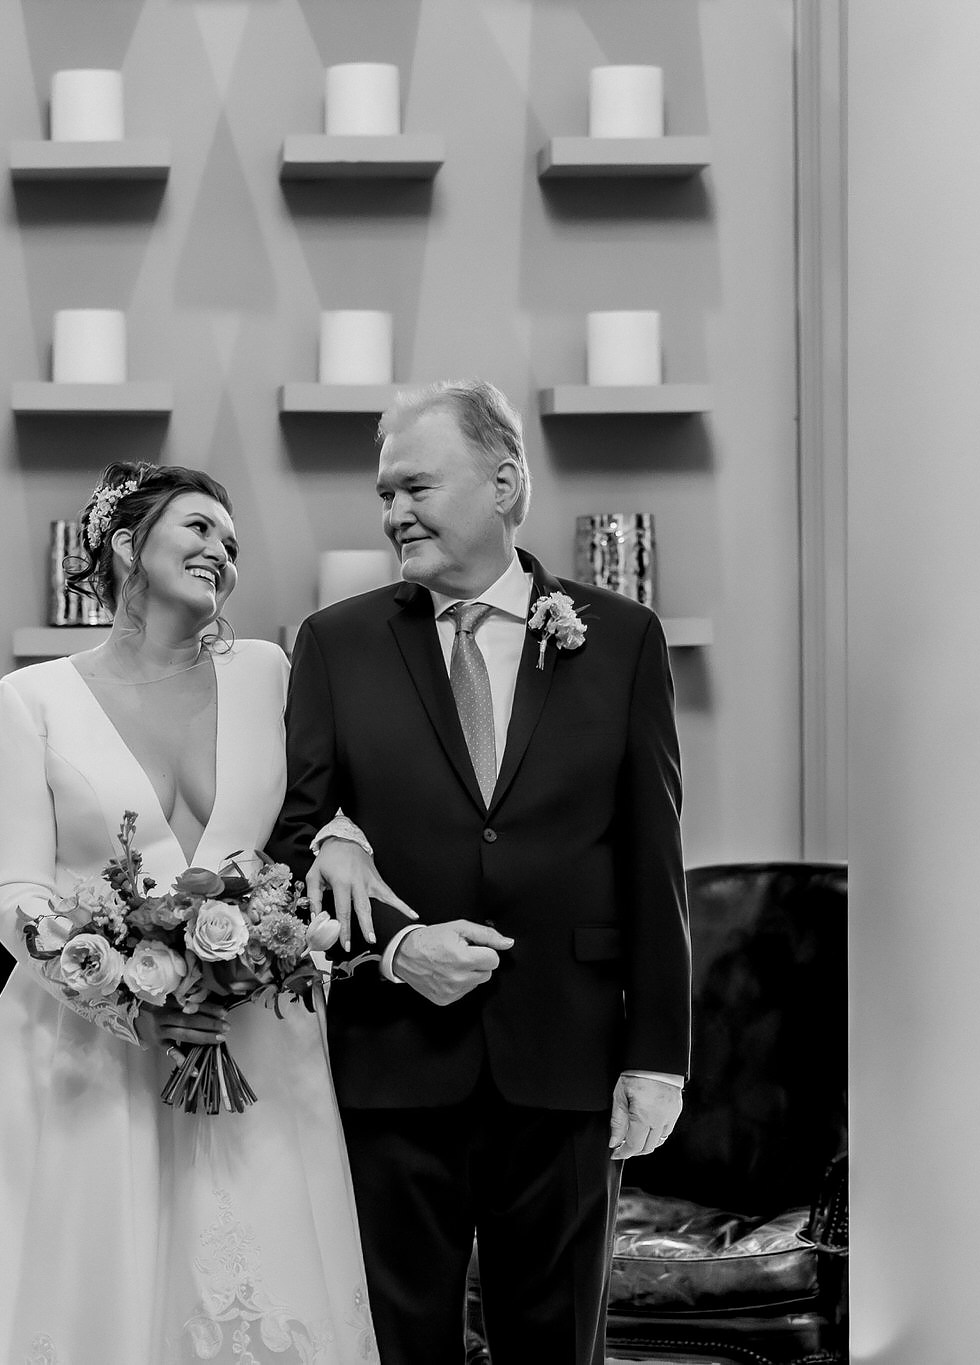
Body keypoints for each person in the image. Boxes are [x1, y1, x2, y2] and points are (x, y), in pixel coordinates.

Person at [0, 463, 378, 1365]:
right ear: (125, 544)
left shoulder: (268, 673)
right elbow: (13, 888)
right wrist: (116, 994)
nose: (221, 550)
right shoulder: (31, 700)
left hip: (250, 1039)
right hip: (90, 1051)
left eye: (231, 542)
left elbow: (327, 797)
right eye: (198, 527)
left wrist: (342, 837)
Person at [271, 380, 692, 1365]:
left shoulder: (621, 638)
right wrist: (399, 946)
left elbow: (652, 858)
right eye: (384, 494)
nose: (393, 513)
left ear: (503, 484)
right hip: (391, 1066)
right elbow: (294, 847)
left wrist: (656, 1058)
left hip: (566, 1063)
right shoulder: (335, 644)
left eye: (415, 486)